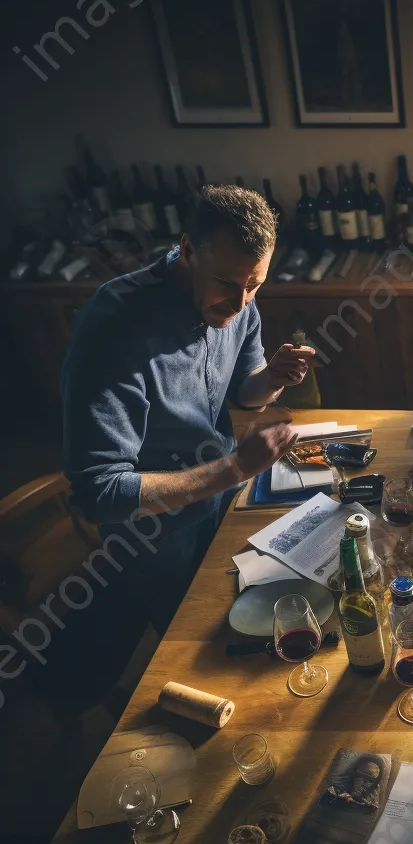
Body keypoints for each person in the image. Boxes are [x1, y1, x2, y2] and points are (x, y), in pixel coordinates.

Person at [62, 184, 312, 637]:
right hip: (154, 539)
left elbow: (241, 391)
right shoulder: (115, 327)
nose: (239, 304)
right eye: (227, 284)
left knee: (268, 631)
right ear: (188, 251)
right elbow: (99, 493)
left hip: (224, 504)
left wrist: (271, 378)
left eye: (255, 285)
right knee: (201, 646)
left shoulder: (238, 298)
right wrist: (235, 466)